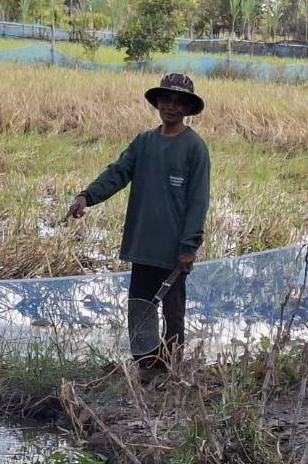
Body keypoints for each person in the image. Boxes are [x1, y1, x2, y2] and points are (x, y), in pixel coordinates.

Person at [68, 72, 211, 371]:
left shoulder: (195, 148)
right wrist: (87, 196)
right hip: (143, 244)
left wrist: (189, 246)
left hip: (174, 251)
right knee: (140, 309)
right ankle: (146, 367)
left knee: (173, 313)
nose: (171, 107)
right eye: (166, 100)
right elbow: (117, 172)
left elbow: (198, 201)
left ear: (187, 109)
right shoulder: (144, 143)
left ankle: (171, 369)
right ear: (157, 103)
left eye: (178, 102)